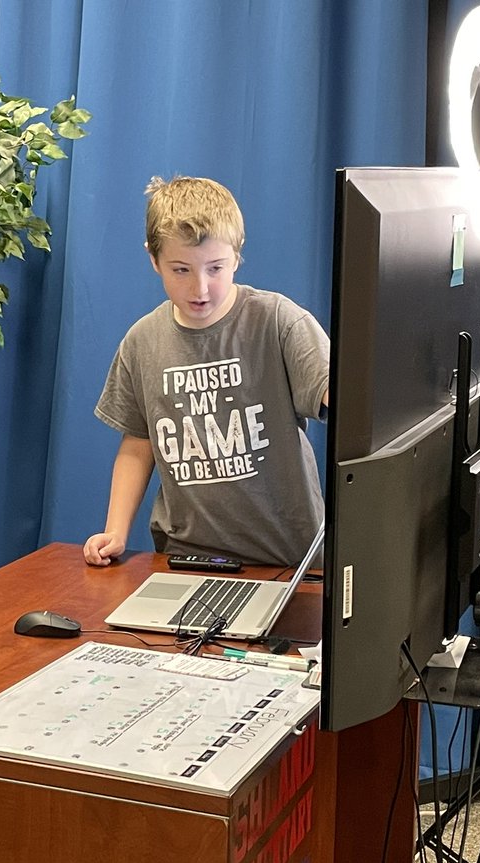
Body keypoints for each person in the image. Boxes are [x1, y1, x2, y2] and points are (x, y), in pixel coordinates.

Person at [83, 175, 329, 569]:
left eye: (216, 268)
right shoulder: (141, 342)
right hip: (184, 559)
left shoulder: (279, 321)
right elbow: (139, 444)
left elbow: (345, 403)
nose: (200, 288)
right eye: (181, 270)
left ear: (237, 256)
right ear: (153, 259)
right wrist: (115, 531)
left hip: (289, 561)